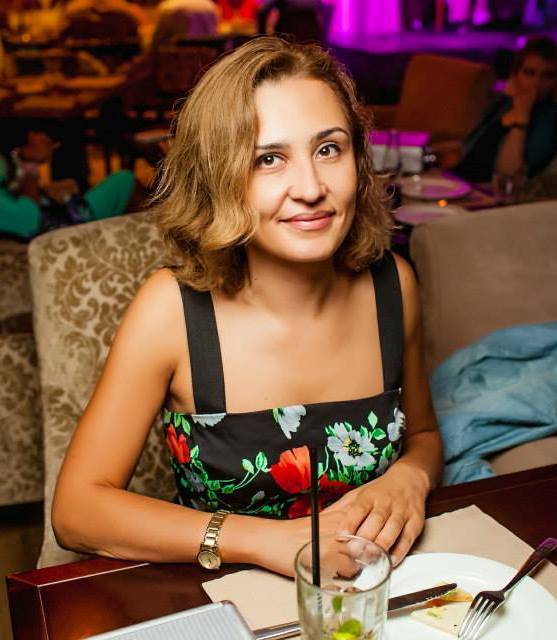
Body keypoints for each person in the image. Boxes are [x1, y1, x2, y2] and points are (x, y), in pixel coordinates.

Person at [52, 37, 442, 577]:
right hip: (224, 593)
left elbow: (424, 436)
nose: (311, 188)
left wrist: (410, 477)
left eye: (328, 149)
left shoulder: (392, 285)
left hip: (373, 590)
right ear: (219, 177)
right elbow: (77, 513)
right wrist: (265, 542)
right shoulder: (172, 311)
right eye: (268, 159)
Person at [454, 36, 557, 184]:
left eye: (548, 76)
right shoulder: (503, 104)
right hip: (458, 180)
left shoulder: (549, 119)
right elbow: (466, 148)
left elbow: (508, 175)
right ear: (516, 75)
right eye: (529, 73)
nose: (537, 83)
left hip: (485, 191)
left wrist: (521, 122)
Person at [0, 132, 138, 239]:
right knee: (125, 183)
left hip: (59, 212)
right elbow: (28, 222)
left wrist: (23, 155)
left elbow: (8, 178)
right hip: (59, 232)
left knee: (124, 180)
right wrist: (31, 165)